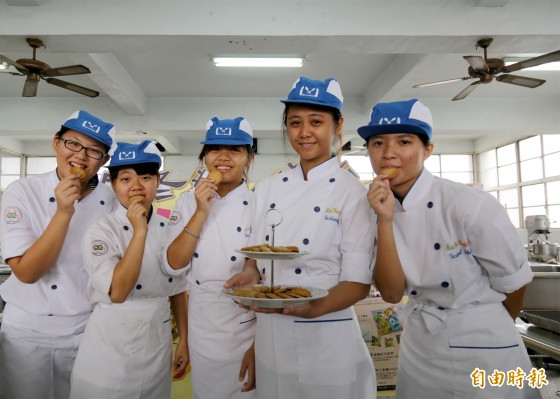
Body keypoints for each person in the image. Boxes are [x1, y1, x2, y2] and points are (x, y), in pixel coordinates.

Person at [360, 98, 541, 399]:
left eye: (404, 141)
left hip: (485, 345)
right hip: (421, 346)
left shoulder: (469, 205)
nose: (388, 154)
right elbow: (392, 293)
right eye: (378, 143)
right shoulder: (373, 209)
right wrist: (384, 219)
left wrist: (481, 324)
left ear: (427, 149)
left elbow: (515, 283)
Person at [226, 77, 377, 398]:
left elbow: (358, 282)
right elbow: (256, 258)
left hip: (327, 339)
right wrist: (249, 273)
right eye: (295, 123)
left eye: (316, 122)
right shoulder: (267, 189)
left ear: (338, 126)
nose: (305, 132)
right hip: (271, 339)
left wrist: (312, 309)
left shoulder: (352, 193)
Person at [0, 110, 117, 399]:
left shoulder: (113, 201)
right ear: (56, 143)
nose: (81, 156)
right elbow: (26, 272)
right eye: (73, 144)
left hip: (88, 330)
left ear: (104, 160)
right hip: (28, 331)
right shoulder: (22, 191)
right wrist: (64, 211)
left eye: (94, 151)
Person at [69, 140, 189, 398]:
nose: (136, 186)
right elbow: (118, 292)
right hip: (111, 344)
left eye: (145, 177)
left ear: (158, 181)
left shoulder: (170, 229)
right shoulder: (101, 232)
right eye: (125, 179)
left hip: (157, 340)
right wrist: (139, 232)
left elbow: (178, 288)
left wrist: (185, 341)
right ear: (113, 185)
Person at [163, 117, 257, 398]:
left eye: (235, 150)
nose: (223, 157)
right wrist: (201, 210)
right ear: (204, 157)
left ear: (248, 158)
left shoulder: (260, 203)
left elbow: (269, 270)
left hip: (247, 323)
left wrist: (260, 345)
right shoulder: (187, 201)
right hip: (202, 324)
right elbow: (174, 265)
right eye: (215, 149)